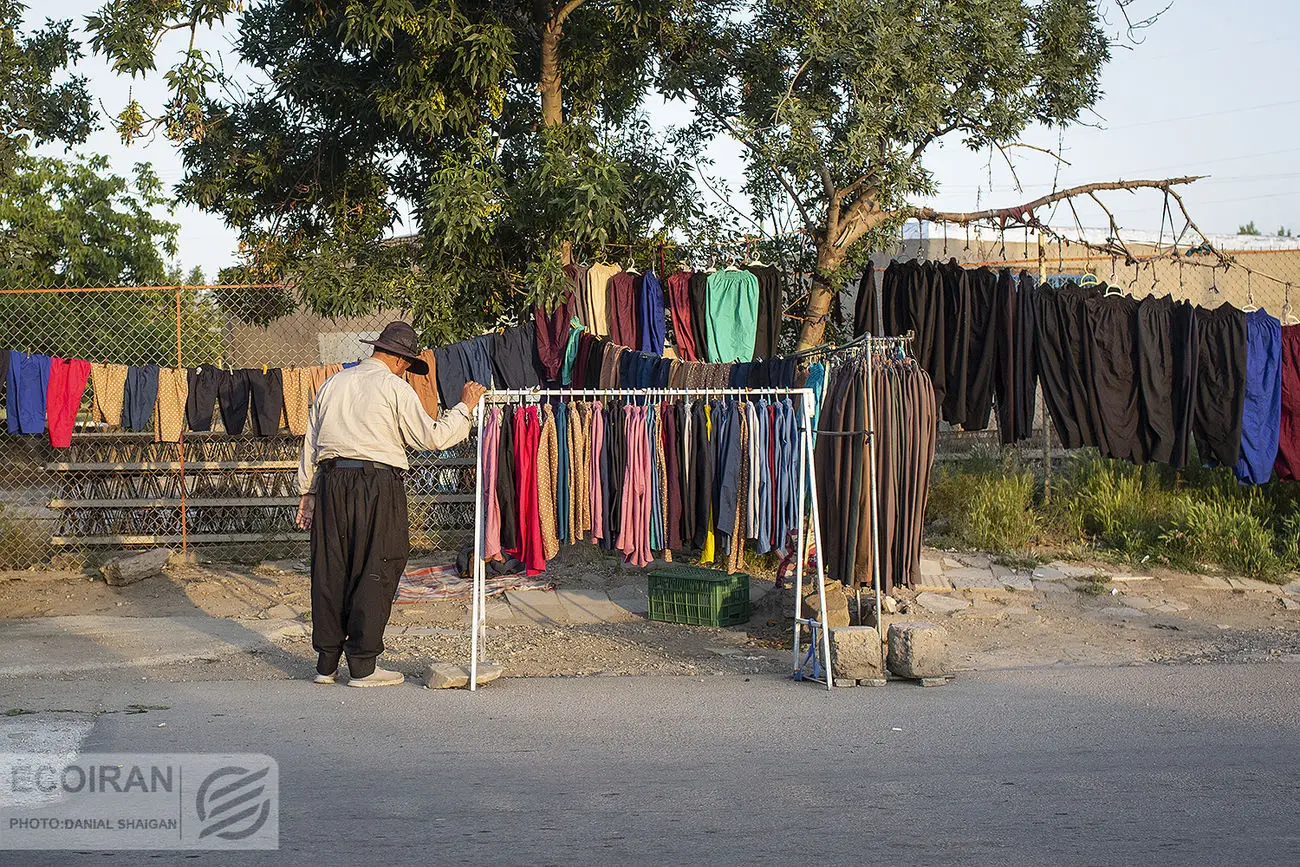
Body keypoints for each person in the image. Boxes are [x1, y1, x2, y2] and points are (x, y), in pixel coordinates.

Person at [296, 321, 488, 687]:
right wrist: (465, 407)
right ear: (401, 361)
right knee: (378, 562)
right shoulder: (393, 387)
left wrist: (308, 492)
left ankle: (326, 664)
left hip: (332, 482)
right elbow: (432, 438)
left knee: (331, 566)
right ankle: (364, 666)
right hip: (376, 483)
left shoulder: (333, 383)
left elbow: (312, 442)